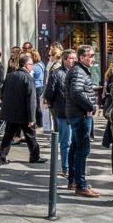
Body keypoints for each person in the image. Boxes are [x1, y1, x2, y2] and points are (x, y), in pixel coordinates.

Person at [0, 54, 47, 165]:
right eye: (31, 64)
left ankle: (1, 157)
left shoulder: (10, 76)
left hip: (11, 112)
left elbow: (3, 93)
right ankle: (34, 156)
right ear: (26, 65)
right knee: (30, 135)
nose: (32, 67)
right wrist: (32, 118)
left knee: (8, 136)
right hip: (24, 114)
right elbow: (31, 100)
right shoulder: (28, 78)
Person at [65, 45, 99, 198]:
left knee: (75, 147)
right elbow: (77, 92)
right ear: (81, 57)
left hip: (78, 114)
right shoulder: (78, 71)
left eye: (93, 55)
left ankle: (74, 180)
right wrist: (91, 105)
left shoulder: (80, 70)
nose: (93, 58)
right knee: (82, 150)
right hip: (80, 115)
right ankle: (81, 185)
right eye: (90, 55)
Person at [44, 49, 76, 177]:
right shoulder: (56, 73)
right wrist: (54, 106)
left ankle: (74, 167)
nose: (74, 60)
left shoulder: (78, 72)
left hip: (77, 113)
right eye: (71, 58)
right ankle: (66, 167)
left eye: (75, 58)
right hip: (63, 113)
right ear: (65, 59)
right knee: (65, 142)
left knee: (76, 142)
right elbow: (49, 93)